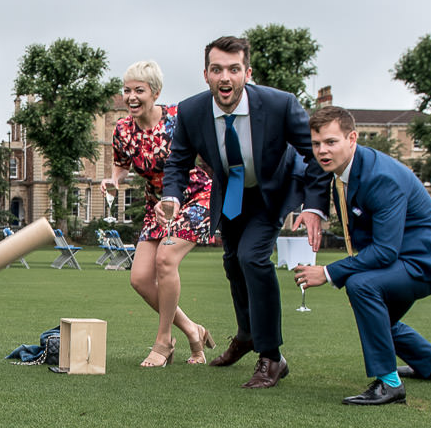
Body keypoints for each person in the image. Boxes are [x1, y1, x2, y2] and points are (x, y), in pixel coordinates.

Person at [162, 34, 329, 389]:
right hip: (232, 193)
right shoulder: (191, 111)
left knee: (253, 258)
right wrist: (172, 197)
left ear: (247, 72)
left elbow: (313, 154)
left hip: (271, 192)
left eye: (234, 69)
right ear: (205, 74)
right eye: (217, 69)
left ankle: (271, 356)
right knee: (232, 260)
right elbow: (177, 162)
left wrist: (314, 206)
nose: (226, 77)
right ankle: (247, 334)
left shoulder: (280, 104)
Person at [292, 106, 431, 405]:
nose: (322, 151)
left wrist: (329, 272)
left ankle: (389, 385)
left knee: (363, 286)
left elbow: (385, 251)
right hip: (407, 255)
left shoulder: (380, 177)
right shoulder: (343, 171)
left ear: (352, 139)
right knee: (379, 315)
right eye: (317, 143)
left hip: (429, 258)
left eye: (331, 142)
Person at [103, 60, 216, 367]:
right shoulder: (123, 130)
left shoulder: (179, 118)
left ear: (155, 92)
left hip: (195, 197)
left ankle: (163, 342)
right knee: (140, 278)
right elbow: (121, 167)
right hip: (158, 205)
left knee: (166, 260)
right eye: (127, 90)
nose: (131, 97)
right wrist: (113, 182)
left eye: (139, 90)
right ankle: (194, 330)